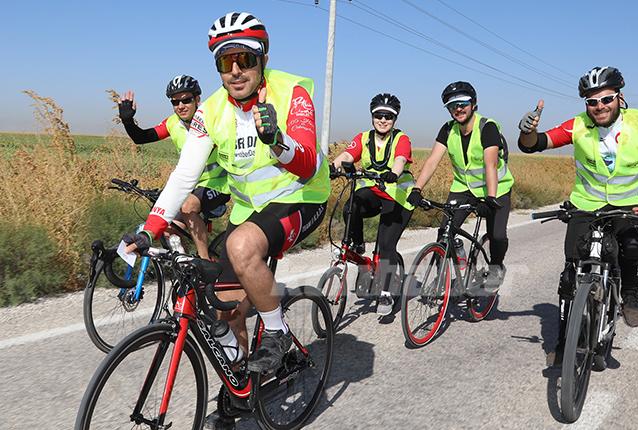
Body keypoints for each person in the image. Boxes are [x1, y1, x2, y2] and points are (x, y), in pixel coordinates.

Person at [123, 11, 330, 381]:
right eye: (225, 62)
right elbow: (185, 174)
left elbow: (308, 164)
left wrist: (277, 141)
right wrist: (150, 229)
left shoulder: (292, 92)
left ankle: (277, 332)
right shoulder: (211, 110)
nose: (235, 71)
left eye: (244, 59)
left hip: (302, 197)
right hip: (250, 210)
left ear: (263, 59)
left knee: (240, 246)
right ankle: (242, 386)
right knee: (226, 309)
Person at [517, 66, 638, 366]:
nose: (599, 106)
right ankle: (564, 342)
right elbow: (535, 145)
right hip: (586, 204)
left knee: (631, 248)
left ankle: (630, 293)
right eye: (592, 101)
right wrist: (527, 132)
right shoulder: (578, 125)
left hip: (631, 205)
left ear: (619, 98)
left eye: (606, 99)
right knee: (570, 274)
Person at [408, 81, 513, 292]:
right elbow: (432, 161)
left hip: (496, 189)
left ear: (473, 104)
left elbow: (490, 164)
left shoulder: (487, 127)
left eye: (463, 103)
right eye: (452, 105)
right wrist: (417, 189)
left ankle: (496, 267)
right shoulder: (448, 129)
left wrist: (490, 198)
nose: (458, 108)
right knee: (444, 232)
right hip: (463, 187)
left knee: (497, 236)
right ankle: (441, 279)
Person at [118, 76, 229, 260]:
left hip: (220, 183)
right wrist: (127, 121)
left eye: (186, 100)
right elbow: (142, 137)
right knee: (168, 227)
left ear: (197, 99)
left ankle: (204, 261)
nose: (181, 106)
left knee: (188, 207)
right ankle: (185, 266)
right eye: (175, 102)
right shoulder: (172, 123)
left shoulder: (211, 119)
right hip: (192, 185)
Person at [331, 93, 416, 316]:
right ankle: (358, 246)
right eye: (379, 115)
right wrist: (333, 167)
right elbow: (348, 155)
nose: (383, 120)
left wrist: (394, 173)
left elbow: (400, 159)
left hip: (398, 196)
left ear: (395, 119)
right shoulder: (363, 137)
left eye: (388, 116)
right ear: (372, 116)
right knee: (351, 206)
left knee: (386, 245)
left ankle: (386, 292)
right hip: (374, 192)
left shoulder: (401, 139)